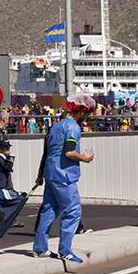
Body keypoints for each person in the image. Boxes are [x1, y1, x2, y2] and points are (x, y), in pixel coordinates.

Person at [33, 95, 97, 263]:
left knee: (48, 210)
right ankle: (65, 250)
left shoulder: (54, 127)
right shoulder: (73, 128)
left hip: (50, 173)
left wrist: (40, 175)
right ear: (81, 112)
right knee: (73, 211)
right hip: (64, 176)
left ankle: (40, 248)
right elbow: (69, 152)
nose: (87, 117)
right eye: (87, 114)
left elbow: (46, 153)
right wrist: (84, 158)